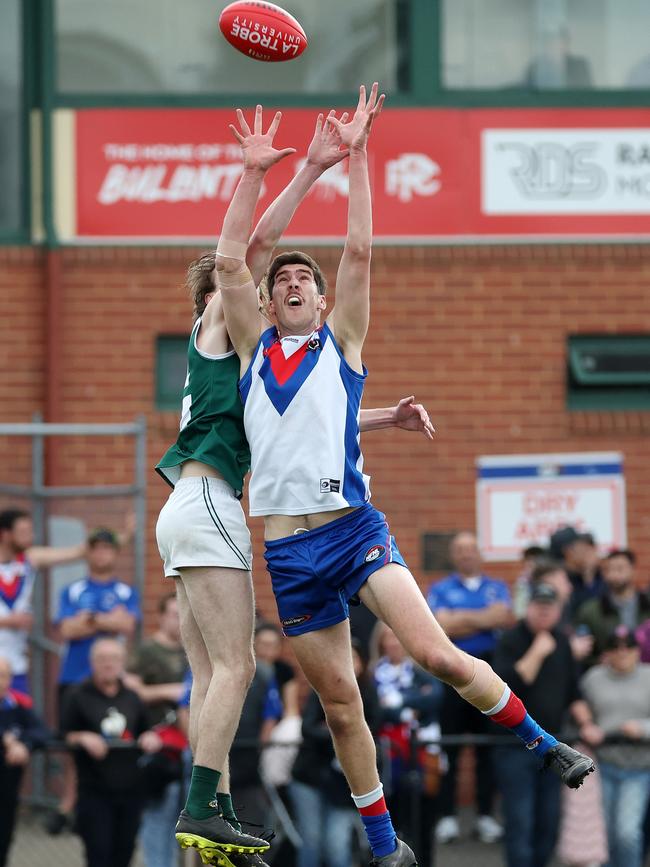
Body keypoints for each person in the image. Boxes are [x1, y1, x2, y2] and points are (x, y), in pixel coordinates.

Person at [217, 88, 595, 867]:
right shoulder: (252, 351)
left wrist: (355, 156)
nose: (291, 280)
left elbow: (359, 251)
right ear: (267, 298)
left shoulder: (341, 345)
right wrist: (264, 175)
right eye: (282, 276)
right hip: (287, 552)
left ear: (322, 301)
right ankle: (386, 845)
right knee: (341, 703)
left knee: (436, 654)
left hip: (354, 531)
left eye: (303, 278)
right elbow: (233, 260)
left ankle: (542, 741)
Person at [154, 105, 435, 867]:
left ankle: (204, 815)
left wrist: (381, 419)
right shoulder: (224, 307)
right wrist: (295, 169)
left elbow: (314, 419)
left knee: (210, 672)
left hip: (184, 504)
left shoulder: (231, 358)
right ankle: (203, 807)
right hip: (209, 499)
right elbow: (247, 249)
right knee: (240, 666)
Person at [52, 526, 141, 831]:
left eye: (107, 548)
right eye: (96, 548)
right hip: (74, 677)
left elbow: (127, 624)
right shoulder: (73, 590)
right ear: (88, 553)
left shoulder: (126, 591)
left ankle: (95, 806)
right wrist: (105, 620)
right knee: (72, 743)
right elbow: (66, 630)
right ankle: (70, 803)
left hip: (110, 684)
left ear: (116, 553)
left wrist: (87, 619)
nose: (101, 553)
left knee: (111, 739)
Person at [491, 584, 586, 867]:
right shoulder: (510, 639)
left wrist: (588, 723)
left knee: (549, 822)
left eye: (550, 606)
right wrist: (539, 650)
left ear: (558, 611)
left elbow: (573, 693)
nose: (544, 611)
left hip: (553, 748)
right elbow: (508, 689)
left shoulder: (563, 642)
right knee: (520, 822)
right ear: (528, 608)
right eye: (539, 605)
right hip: (514, 747)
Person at [427, 532, 512, 845]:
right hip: (451, 673)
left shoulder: (497, 587)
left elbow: (502, 616)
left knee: (486, 748)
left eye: (470, 549)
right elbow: (440, 625)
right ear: (453, 556)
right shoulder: (441, 588)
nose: (465, 555)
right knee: (448, 748)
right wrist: (482, 619)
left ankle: (486, 817)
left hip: (488, 673)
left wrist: (459, 618)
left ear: (480, 554)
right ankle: (447, 817)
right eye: (459, 550)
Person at [60, 637, 164, 867]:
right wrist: (81, 737)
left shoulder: (132, 697)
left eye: (115, 659)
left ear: (123, 663)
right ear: (92, 662)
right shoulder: (77, 695)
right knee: (99, 853)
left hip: (130, 789)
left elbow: (146, 731)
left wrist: (149, 737)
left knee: (124, 852)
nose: (109, 664)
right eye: (103, 659)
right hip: (94, 790)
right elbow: (62, 735)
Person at [291, 638, 380, 867]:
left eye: (354, 658)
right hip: (309, 777)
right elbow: (308, 728)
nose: (348, 664)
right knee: (311, 841)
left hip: (342, 785)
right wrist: (342, 735)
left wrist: (334, 731)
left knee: (336, 845)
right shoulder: (320, 689)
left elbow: (372, 734)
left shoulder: (369, 694)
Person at [578, 626, 650, 867]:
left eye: (628, 647)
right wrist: (586, 724)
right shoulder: (593, 678)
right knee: (605, 834)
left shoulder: (648, 676)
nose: (622, 653)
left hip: (639, 765)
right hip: (602, 764)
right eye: (615, 648)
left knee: (627, 833)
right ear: (606, 652)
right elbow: (577, 708)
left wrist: (643, 728)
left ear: (637, 650)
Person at [125, 592, 187, 867]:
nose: (179, 621)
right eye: (174, 614)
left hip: (189, 742)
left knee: (184, 821)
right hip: (159, 745)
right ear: (161, 617)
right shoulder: (147, 650)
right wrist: (171, 691)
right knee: (158, 814)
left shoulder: (191, 650)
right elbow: (130, 690)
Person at [373, 625, 443, 867]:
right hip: (389, 758)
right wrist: (406, 710)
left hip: (421, 756)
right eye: (388, 638)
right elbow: (378, 711)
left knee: (423, 818)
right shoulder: (375, 674)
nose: (393, 643)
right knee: (394, 818)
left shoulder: (419, 672)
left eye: (397, 637)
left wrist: (401, 700)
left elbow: (435, 697)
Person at [0, 508, 89, 694]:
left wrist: (125, 537)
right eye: (23, 532)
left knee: (20, 717)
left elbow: (79, 552)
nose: (30, 537)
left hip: (16, 664)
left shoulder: (28, 560)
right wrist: (9, 621)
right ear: (6, 534)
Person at [0, 655, 49, 867]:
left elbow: (42, 732)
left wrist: (24, 745)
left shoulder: (18, 705)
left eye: (3, 676)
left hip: (6, 792)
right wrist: (5, 739)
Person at [575, 549, 650, 667]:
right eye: (608, 570)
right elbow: (582, 652)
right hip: (609, 676)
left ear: (633, 570)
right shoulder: (591, 610)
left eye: (620, 569)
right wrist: (599, 661)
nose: (614, 575)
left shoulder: (647, 604)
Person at [549, 526, 604, 617]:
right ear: (568, 551)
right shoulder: (556, 580)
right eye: (581, 546)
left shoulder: (589, 574)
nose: (585, 550)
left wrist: (589, 575)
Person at [523, 27, 593, 89]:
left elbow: (586, 91)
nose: (556, 47)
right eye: (552, 43)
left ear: (567, 45)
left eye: (560, 43)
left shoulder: (579, 66)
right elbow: (526, 92)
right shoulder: (536, 67)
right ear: (546, 45)